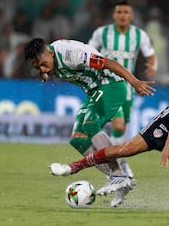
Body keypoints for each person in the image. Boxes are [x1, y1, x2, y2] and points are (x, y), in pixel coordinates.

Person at [24, 38, 155, 207]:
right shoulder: (49, 60)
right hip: (94, 93)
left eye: (43, 64)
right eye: (38, 67)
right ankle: (120, 180)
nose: (42, 69)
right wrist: (44, 72)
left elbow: (109, 63)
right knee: (78, 139)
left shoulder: (72, 55)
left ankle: (117, 175)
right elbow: (45, 67)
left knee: (90, 125)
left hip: (111, 86)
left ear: (50, 52)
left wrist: (135, 82)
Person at [88, 0, 157, 182]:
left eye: (126, 12)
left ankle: (117, 161)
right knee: (118, 125)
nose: (122, 15)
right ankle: (115, 163)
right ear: (114, 14)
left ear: (131, 15)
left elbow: (151, 55)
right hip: (106, 84)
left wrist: (152, 68)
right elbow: (88, 52)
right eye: (119, 12)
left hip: (127, 87)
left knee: (121, 128)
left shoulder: (139, 35)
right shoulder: (101, 33)